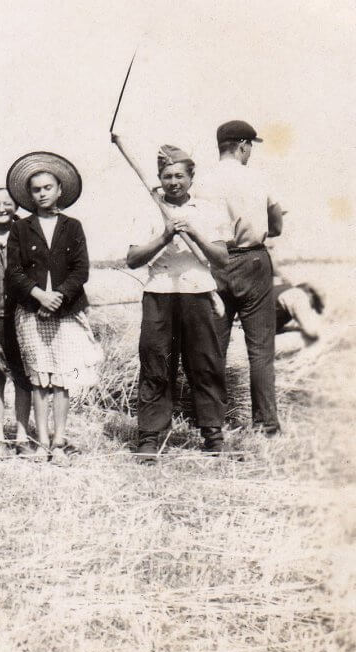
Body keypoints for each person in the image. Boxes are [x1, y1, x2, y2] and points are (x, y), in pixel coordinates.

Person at [113, 135, 231, 459]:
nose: (174, 182)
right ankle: (149, 438)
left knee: (204, 364)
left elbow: (221, 259)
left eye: (180, 175)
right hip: (159, 294)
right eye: (168, 176)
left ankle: (212, 436)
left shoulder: (208, 210)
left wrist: (195, 233)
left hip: (197, 292)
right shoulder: (149, 209)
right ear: (160, 179)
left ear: (191, 178)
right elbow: (133, 258)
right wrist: (165, 236)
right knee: (155, 365)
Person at [6, 152, 100, 461]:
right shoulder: (21, 229)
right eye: (36, 189)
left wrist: (57, 296)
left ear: (60, 190)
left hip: (66, 311)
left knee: (62, 377)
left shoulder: (73, 226)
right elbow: (15, 271)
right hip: (31, 312)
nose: (43, 193)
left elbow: (80, 269)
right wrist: (38, 296)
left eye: (48, 187)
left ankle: (59, 440)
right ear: (29, 195)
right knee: (39, 377)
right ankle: (42, 440)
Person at [195, 120, 285, 436]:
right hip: (254, 260)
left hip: (215, 263)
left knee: (212, 347)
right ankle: (266, 427)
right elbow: (276, 223)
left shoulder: (202, 180)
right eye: (250, 148)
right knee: (260, 349)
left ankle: (211, 426)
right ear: (244, 145)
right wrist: (265, 228)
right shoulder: (257, 177)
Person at [0, 187, 32, 447]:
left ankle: (22, 435)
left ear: (16, 206)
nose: (1, 208)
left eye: (7, 203)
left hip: (22, 314)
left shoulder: (26, 232)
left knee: (24, 377)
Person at [274, 272, 325, 355]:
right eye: (314, 303)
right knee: (306, 338)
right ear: (310, 294)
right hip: (251, 346)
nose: (311, 307)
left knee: (295, 330)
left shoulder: (283, 289)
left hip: (248, 337)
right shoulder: (298, 295)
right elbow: (311, 331)